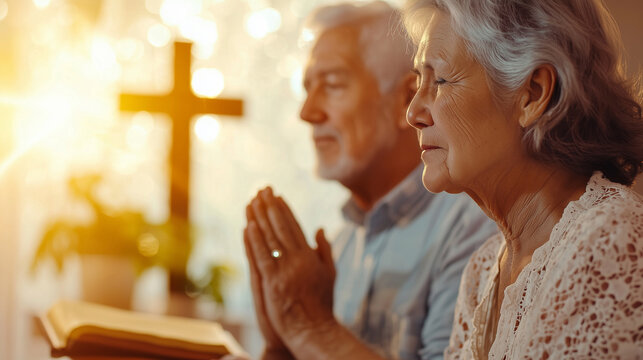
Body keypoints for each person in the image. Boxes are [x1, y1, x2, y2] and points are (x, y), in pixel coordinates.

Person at [242, 2, 497, 360]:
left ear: (405, 100)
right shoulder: (343, 244)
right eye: (307, 88)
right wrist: (281, 347)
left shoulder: (473, 229)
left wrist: (312, 329)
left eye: (331, 85)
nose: (307, 112)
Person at [401, 0, 643, 358]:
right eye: (418, 83)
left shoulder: (609, 238)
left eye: (440, 80)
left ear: (532, 94)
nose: (413, 113)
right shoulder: (482, 270)